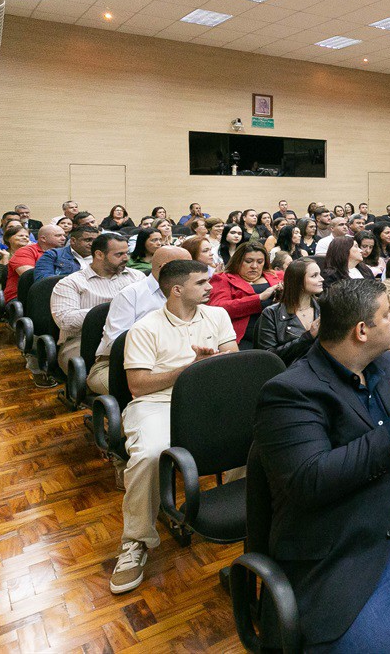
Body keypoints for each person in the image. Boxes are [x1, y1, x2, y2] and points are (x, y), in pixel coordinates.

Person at [252, 277, 390, 651]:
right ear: (362, 330)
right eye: (388, 315)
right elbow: (310, 481)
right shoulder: (291, 393)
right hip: (357, 551)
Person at [110, 260, 238, 595]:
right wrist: (189, 369)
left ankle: (232, 510)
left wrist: (211, 367)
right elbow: (137, 386)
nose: (210, 287)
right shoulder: (145, 328)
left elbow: (232, 356)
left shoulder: (218, 315)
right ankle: (135, 541)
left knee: (254, 437)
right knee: (151, 454)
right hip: (157, 404)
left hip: (209, 399)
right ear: (177, 289)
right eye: (202, 282)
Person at [90, 246, 191, 396]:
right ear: (165, 269)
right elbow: (115, 343)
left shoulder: (189, 292)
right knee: (166, 394)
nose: (192, 272)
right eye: (186, 268)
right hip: (117, 366)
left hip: (174, 362)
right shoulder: (131, 295)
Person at [50, 233, 145, 381]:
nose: (126, 258)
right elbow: (65, 321)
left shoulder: (137, 277)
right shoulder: (71, 283)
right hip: (82, 341)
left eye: (127, 253)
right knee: (122, 379)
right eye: (119, 254)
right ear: (99, 255)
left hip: (130, 335)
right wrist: (112, 310)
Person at [209, 242, 284, 350]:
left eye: (260, 262)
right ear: (238, 261)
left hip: (280, 332)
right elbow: (218, 308)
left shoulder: (276, 276)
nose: (254, 266)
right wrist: (259, 298)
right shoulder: (223, 279)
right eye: (248, 261)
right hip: (244, 338)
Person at [256, 257, 322, 365]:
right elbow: (268, 358)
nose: (322, 279)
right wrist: (308, 337)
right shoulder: (271, 314)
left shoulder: (325, 307)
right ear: (298, 281)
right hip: (289, 374)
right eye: (314, 276)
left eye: (319, 274)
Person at [4, 224, 66, 302]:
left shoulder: (66, 253)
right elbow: (29, 277)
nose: (63, 238)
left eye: (64, 235)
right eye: (58, 236)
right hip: (24, 295)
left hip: (59, 292)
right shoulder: (25, 252)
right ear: (43, 238)